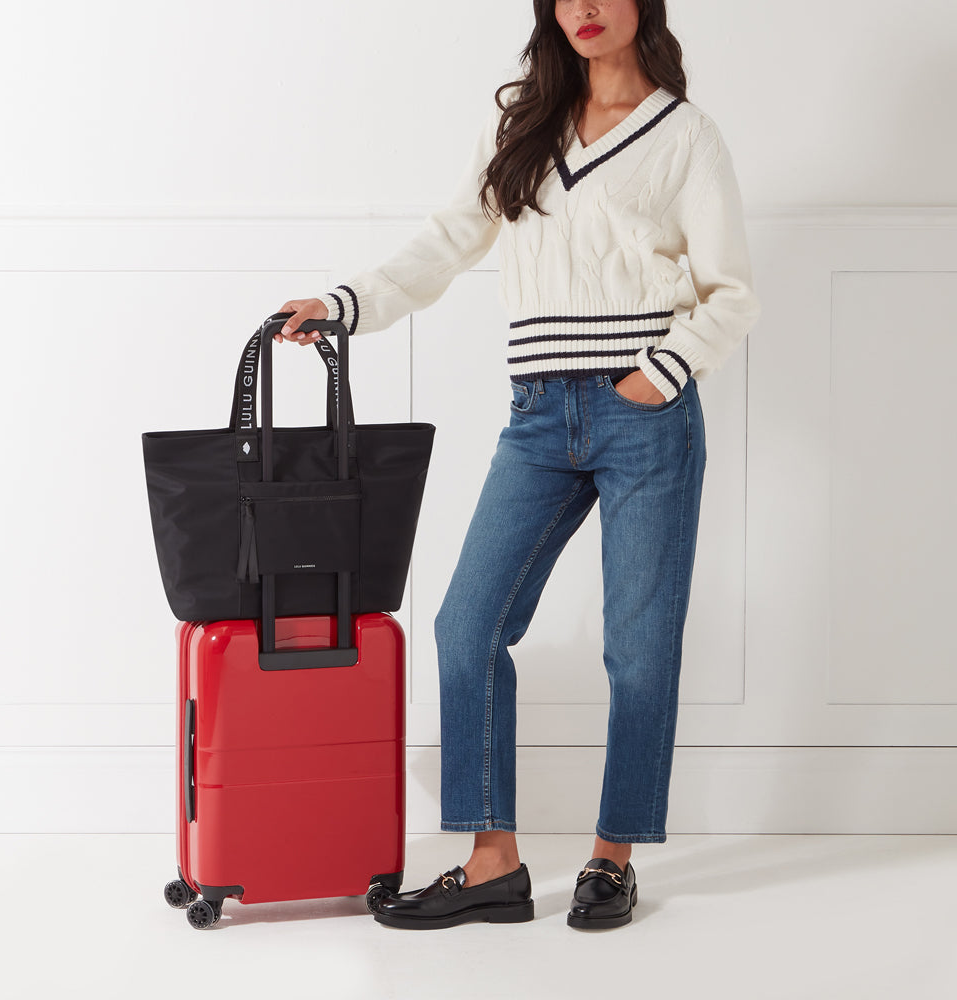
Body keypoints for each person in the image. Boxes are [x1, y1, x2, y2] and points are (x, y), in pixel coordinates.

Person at [275, 0, 760, 930]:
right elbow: (448, 240)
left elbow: (731, 290)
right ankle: (493, 862)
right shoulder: (524, 126)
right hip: (538, 416)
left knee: (640, 646)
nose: (584, 6)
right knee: (467, 626)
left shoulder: (686, 136)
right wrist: (349, 302)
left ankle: (612, 857)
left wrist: (658, 374)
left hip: (644, 415)